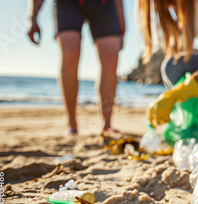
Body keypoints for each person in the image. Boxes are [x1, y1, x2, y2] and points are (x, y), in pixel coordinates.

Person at [27, 0, 125, 136]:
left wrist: (121, 25)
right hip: (67, 4)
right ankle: (72, 124)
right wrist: (33, 18)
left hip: (104, 4)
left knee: (111, 56)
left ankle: (107, 124)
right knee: (70, 53)